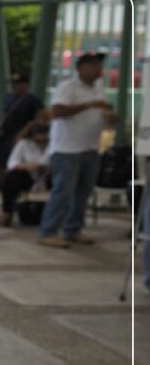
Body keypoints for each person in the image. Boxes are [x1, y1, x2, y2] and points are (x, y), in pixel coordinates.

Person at [38, 51, 119, 248]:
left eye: (100, 66)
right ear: (81, 68)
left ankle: (73, 228)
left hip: (90, 146)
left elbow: (103, 112)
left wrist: (109, 118)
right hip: (67, 148)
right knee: (63, 191)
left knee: (83, 193)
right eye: (94, 65)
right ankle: (48, 231)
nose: (99, 69)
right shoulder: (68, 87)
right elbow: (57, 112)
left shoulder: (99, 88)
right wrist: (89, 105)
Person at [0, 72, 45, 187]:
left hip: (21, 135)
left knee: (13, 161)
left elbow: (40, 117)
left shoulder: (33, 99)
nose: (17, 86)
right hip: (6, 134)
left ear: (26, 84)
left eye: (20, 83)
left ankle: (14, 187)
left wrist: (26, 129)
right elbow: (5, 115)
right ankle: (5, 188)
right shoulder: (9, 97)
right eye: (15, 83)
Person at [0, 123, 51, 227]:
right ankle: (7, 212)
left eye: (45, 141)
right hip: (30, 176)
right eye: (38, 141)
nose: (42, 144)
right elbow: (12, 163)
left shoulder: (54, 145)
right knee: (11, 178)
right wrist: (27, 166)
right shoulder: (24, 144)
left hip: (48, 176)